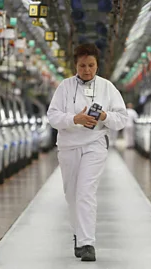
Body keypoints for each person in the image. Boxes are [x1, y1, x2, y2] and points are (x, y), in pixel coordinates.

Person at [47, 43, 128, 262]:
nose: (87, 70)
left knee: (85, 191)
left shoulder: (107, 87)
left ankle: (87, 243)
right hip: (68, 146)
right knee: (71, 194)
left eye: (91, 65)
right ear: (76, 65)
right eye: (82, 65)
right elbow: (52, 116)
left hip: (95, 145)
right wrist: (74, 119)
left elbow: (122, 119)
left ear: (97, 65)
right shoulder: (64, 87)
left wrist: (104, 117)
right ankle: (78, 234)